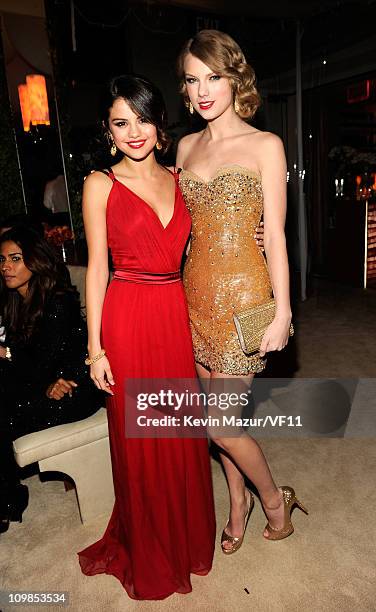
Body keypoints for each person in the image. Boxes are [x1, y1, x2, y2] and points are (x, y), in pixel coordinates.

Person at [77, 75, 216, 600]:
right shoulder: (99, 184)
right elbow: (96, 270)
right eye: (120, 122)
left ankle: (187, 540)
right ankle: (153, 550)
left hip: (174, 315)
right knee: (142, 443)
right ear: (109, 132)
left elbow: (207, 243)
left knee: (179, 434)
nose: (133, 132)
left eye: (142, 119)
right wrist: (95, 348)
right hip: (129, 317)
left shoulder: (181, 178)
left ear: (159, 125)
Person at [176, 30, 307, 552]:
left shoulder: (265, 145)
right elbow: (177, 225)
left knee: (219, 425)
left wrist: (282, 312)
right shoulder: (185, 145)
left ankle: (274, 498)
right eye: (192, 79)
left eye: (214, 77)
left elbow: (275, 233)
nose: (203, 90)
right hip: (194, 296)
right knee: (215, 420)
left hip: (245, 297)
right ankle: (238, 504)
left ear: (235, 79)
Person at [0, 226, 103, 533]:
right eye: (2, 259)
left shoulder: (57, 301)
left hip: (72, 391)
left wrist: (5, 353)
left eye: (15, 259)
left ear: (36, 260)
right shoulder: (14, 300)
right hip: (42, 383)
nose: (6, 266)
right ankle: (8, 495)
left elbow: (42, 366)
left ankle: (9, 500)